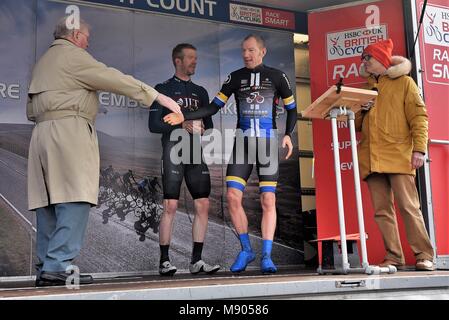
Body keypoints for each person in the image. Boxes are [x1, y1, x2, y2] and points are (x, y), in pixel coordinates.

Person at [27, 16, 181, 287]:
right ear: (75, 35)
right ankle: (60, 265)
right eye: (86, 36)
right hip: (69, 131)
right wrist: (157, 96)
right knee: (75, 196)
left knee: (49, 201)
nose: (88, 42)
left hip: (42, 132)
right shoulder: (73, 55)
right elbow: (113, 77)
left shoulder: (44, 61)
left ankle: (47, 267)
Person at [164, 34, 297, 273]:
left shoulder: (278, 76)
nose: (246, 54)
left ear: (263, 51)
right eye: (243, 51)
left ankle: (266, 255)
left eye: (251, 50)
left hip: (267, 143)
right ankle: (247, 250)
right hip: (243, 144)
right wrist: (185, 116)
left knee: (268, 200)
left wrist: (288, 134)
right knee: (233, 197)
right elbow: (213, 107)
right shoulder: (236, 77)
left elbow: (292, 109)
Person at [356, 38, 434, 271]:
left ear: (381, 59)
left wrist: (419, 149)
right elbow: (358, 123)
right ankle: (394, 257)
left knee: (409, 207)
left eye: (367, 57)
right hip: (371, 157)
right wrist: (361, 110)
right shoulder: (366, 87)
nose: (364, 62)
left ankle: (424, 255)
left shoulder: (405, 83)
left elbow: (419, 118)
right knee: (382, 212)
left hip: (399, 155)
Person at [149, 43, 220, 276]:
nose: (194, 62)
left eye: (196, 58)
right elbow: (154, 125)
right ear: (177, 60)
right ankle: (164, 261)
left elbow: (208, 126)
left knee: (203, 204)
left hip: (194, 154)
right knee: (170, 205)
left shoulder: (200, 92)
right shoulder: (162, 88)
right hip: (172, 152)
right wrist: (182, 122)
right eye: (190, 58)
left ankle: (196, 261)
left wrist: (198, 126)